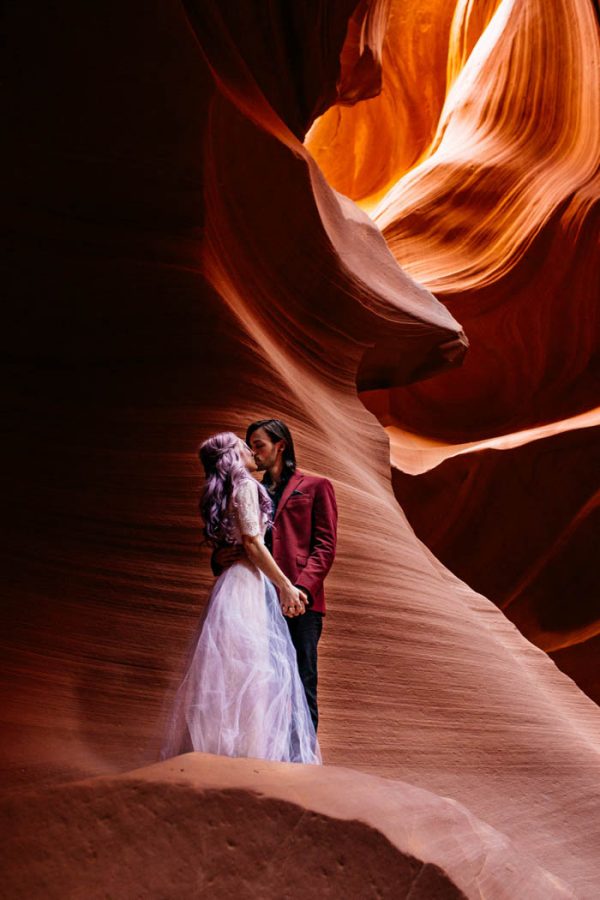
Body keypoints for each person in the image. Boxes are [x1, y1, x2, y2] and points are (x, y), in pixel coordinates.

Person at [162, 431, 320, 764]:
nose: (248, 449)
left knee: (230, 671)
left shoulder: (229, 491)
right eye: (241, 445)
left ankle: (223, 752)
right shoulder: (247, 486)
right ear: (232, 457)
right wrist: (285, 586)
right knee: (253, 672)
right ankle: (248, 757)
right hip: (248, 583)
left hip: (231, 587)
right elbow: (251, 541)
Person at [213, 419, 337, 732]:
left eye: (259, 444)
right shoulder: (250, 488)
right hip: (256, 596)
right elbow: (240, 535)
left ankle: (303, 758)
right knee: (261, 679)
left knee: (301, 676)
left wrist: (300, 590)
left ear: (280, 444)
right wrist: (219, 558)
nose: (254, 452)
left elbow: (325, 546)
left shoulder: (316, 486)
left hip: (300, 600)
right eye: (250, 445)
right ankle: (269, 758)